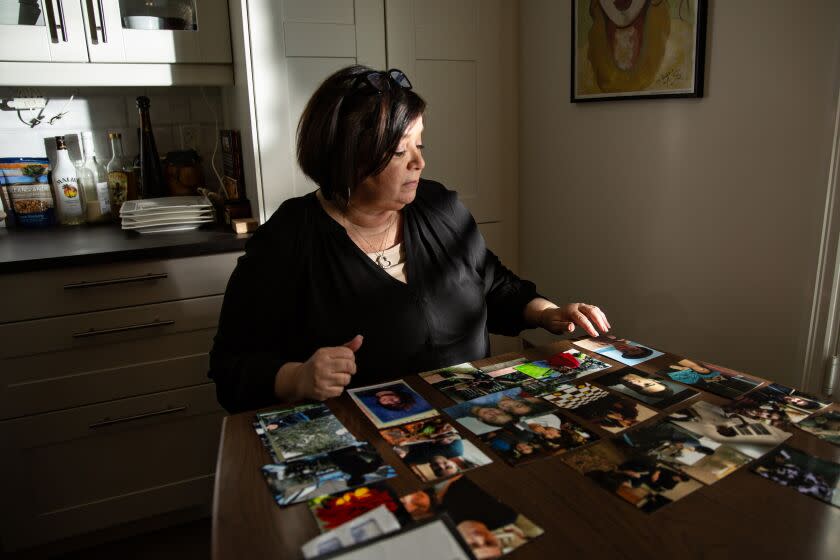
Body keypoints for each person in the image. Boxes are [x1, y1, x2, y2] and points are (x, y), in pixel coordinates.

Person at [208, 65, 611, 413]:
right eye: (401, 151)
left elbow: (496, 285)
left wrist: (550, 313)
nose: (420, 162)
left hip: (474, 421)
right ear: (351, 156)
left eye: (420, 145)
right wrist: (297, 378)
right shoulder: (287, 240)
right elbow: (230, 368)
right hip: (369, 442)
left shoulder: (441, 207)